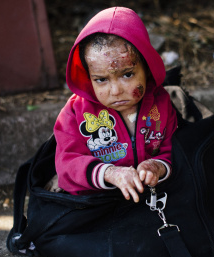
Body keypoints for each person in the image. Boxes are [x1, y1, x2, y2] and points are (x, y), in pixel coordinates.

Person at [53, 6, 177, 203]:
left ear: (146, 67)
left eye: (127, 74)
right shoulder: (75, 112)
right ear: (88, 77)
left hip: (147, 201)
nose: (115, 91)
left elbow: (172, 150)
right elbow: (67, 163)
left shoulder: (160, 104)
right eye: (101, 79)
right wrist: (110, 173)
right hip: (97, 205)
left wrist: (157, 166)